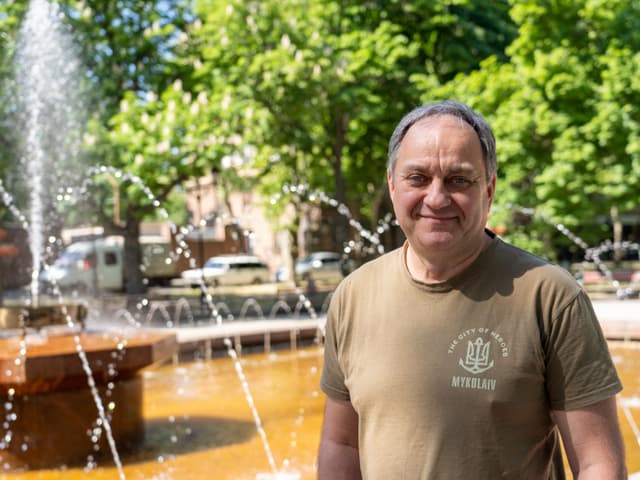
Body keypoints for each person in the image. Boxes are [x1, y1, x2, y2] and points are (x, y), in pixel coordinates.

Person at [318, 100, 626, 479]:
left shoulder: (549, 298)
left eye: (459, 180)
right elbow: (341, 443)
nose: (436, 197)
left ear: (490, 190)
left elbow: (599, 464)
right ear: (392, 185)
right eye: (418, 178)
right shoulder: (354, 296)